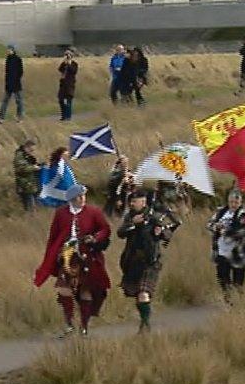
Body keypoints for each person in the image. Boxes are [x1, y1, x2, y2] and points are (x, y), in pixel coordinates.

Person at [34, 184, 112, 337]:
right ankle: (69, 324)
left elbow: (105, 229)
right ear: (71, 199)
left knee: (86, 290)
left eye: (83, 196)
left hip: (87, 256)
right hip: (67, 257)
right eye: (79, 197)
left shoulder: (94, 212)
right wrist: (51, 256)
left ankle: (83, 326)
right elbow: (54, 235)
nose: (82, 199)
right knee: (64, 289)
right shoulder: (61, 214)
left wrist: (95, 238)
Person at [117, 189, 175, 332]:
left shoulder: (154, 217)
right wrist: (132, 223)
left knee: (144, 293)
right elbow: (120, 233)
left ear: (143, 202)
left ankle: (145, 324)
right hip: (132, 262)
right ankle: (145, 318)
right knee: (138, 294)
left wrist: (160, 232)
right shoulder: (129, 216)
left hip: (150, 261)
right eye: (131, 201)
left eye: (134, 201)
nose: (131, 203)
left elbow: (167, 234)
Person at [209, 190, 245, 304]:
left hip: (238, 252)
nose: (233, 205)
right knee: (222, 276)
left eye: (236, 202)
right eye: (231, 202)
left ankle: (238, 302)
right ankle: (227, 298)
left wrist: (227, 232)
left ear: (240, 202)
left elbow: (243, 230)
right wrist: (216, 227)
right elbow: (209, 224)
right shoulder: (220, 212)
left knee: (238, 280)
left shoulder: (243, 214)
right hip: (221, 250)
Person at [13, 139, 41, 211]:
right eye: (31, 150)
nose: (32, 152)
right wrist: (34, 168)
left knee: (35, 206)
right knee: (29, 207)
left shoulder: (27, 155)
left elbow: (30, 165)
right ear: (27, 147)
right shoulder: (19, 156)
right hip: (25, 185)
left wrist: (40, 165)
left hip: (31, 184)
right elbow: (21, 168)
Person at [0, 45, 24, 122]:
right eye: (7, 50)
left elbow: (20, 72)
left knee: (19, 101)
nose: (8, 51)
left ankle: (19, 117)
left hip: (16, 84)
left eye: (9, 50)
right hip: (8, 84)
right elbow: (7, 72)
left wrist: (16, 79)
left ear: (12, 50)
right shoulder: (8, 59)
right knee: (5, 101)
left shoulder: (18, 59)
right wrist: (7, 82)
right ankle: (1, 118)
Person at [57, 50, 78, 121]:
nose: (67, 56)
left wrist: (69, 63)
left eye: (68, 55)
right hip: (63, 84)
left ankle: (68, 117)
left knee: (68, 101)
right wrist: (64, 62)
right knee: (61, 100)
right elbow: (60, 69)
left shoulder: (74, 64)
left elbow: (73, 71)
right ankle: (63, 116)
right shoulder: (64, 63)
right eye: (65, 54)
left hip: (70, 85)